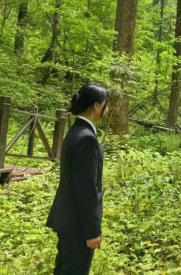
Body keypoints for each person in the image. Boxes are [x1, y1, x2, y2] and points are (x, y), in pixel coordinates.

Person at [47, 83, 109, 275]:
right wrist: (92, 231)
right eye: (106, 104)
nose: (108, 109)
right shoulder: (87, 139)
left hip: (68, 218)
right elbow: (86, 189)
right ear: (97, 105)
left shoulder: (76, 131)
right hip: (78, 225)